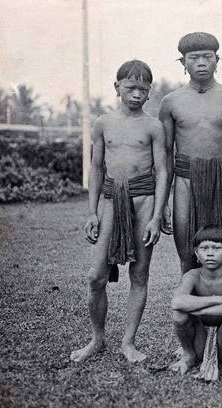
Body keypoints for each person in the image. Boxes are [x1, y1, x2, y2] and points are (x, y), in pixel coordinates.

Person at [70, 60, 168, 363]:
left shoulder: (153, 126)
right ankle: (97, 339)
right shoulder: (103, 123)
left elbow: (163, 171)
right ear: (117, 88)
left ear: (149, 92)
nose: (137, 94)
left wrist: (156, 215)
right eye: (130, 87)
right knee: (96, 275)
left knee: (139, 273)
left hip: (144, 200)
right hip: (112, 201)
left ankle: (128, 342)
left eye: (143, 89)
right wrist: (92, 212)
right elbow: (97, 168)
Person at [159, 32, 222, 275]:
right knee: (187, 252)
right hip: (185, 181)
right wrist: (164, 203)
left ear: (217, 60)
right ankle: (192, 312)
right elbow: (166, 156)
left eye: (207, 57)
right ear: (183, 62)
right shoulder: (170, 102)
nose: (201, 63)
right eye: (194, 57)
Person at [169, 225, 222, 381]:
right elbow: (177, 301)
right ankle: (188, 355)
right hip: (197, 336)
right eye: (204, 248)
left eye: (216, 248)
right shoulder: (191, 275)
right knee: (179, 315)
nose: (210, 253)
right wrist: (218, 299)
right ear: (196, 253)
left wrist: (201, 311)